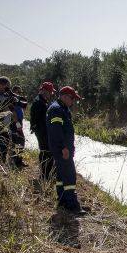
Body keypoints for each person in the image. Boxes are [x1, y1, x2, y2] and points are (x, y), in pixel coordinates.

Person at [47, 86, 84, 214]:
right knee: (69, 176)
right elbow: (56, 130)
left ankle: (62, 200)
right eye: (72, 98)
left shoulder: (62, 108)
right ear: (65, 96)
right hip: (62, 150)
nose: (73, 101)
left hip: (63, 149)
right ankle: (71, 205)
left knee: (61, 176)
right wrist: (63, 147)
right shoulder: (56, 109)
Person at [30, 81, 56, 180]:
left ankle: (46, 174)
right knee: (46, 152)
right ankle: (45, 175)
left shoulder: (41, 101)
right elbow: (39, 120)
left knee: (46, 152)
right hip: (42, 132)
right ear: (45, 91)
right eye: (50, 91)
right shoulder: (39, 102)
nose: (51, 94)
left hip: (42, 131)